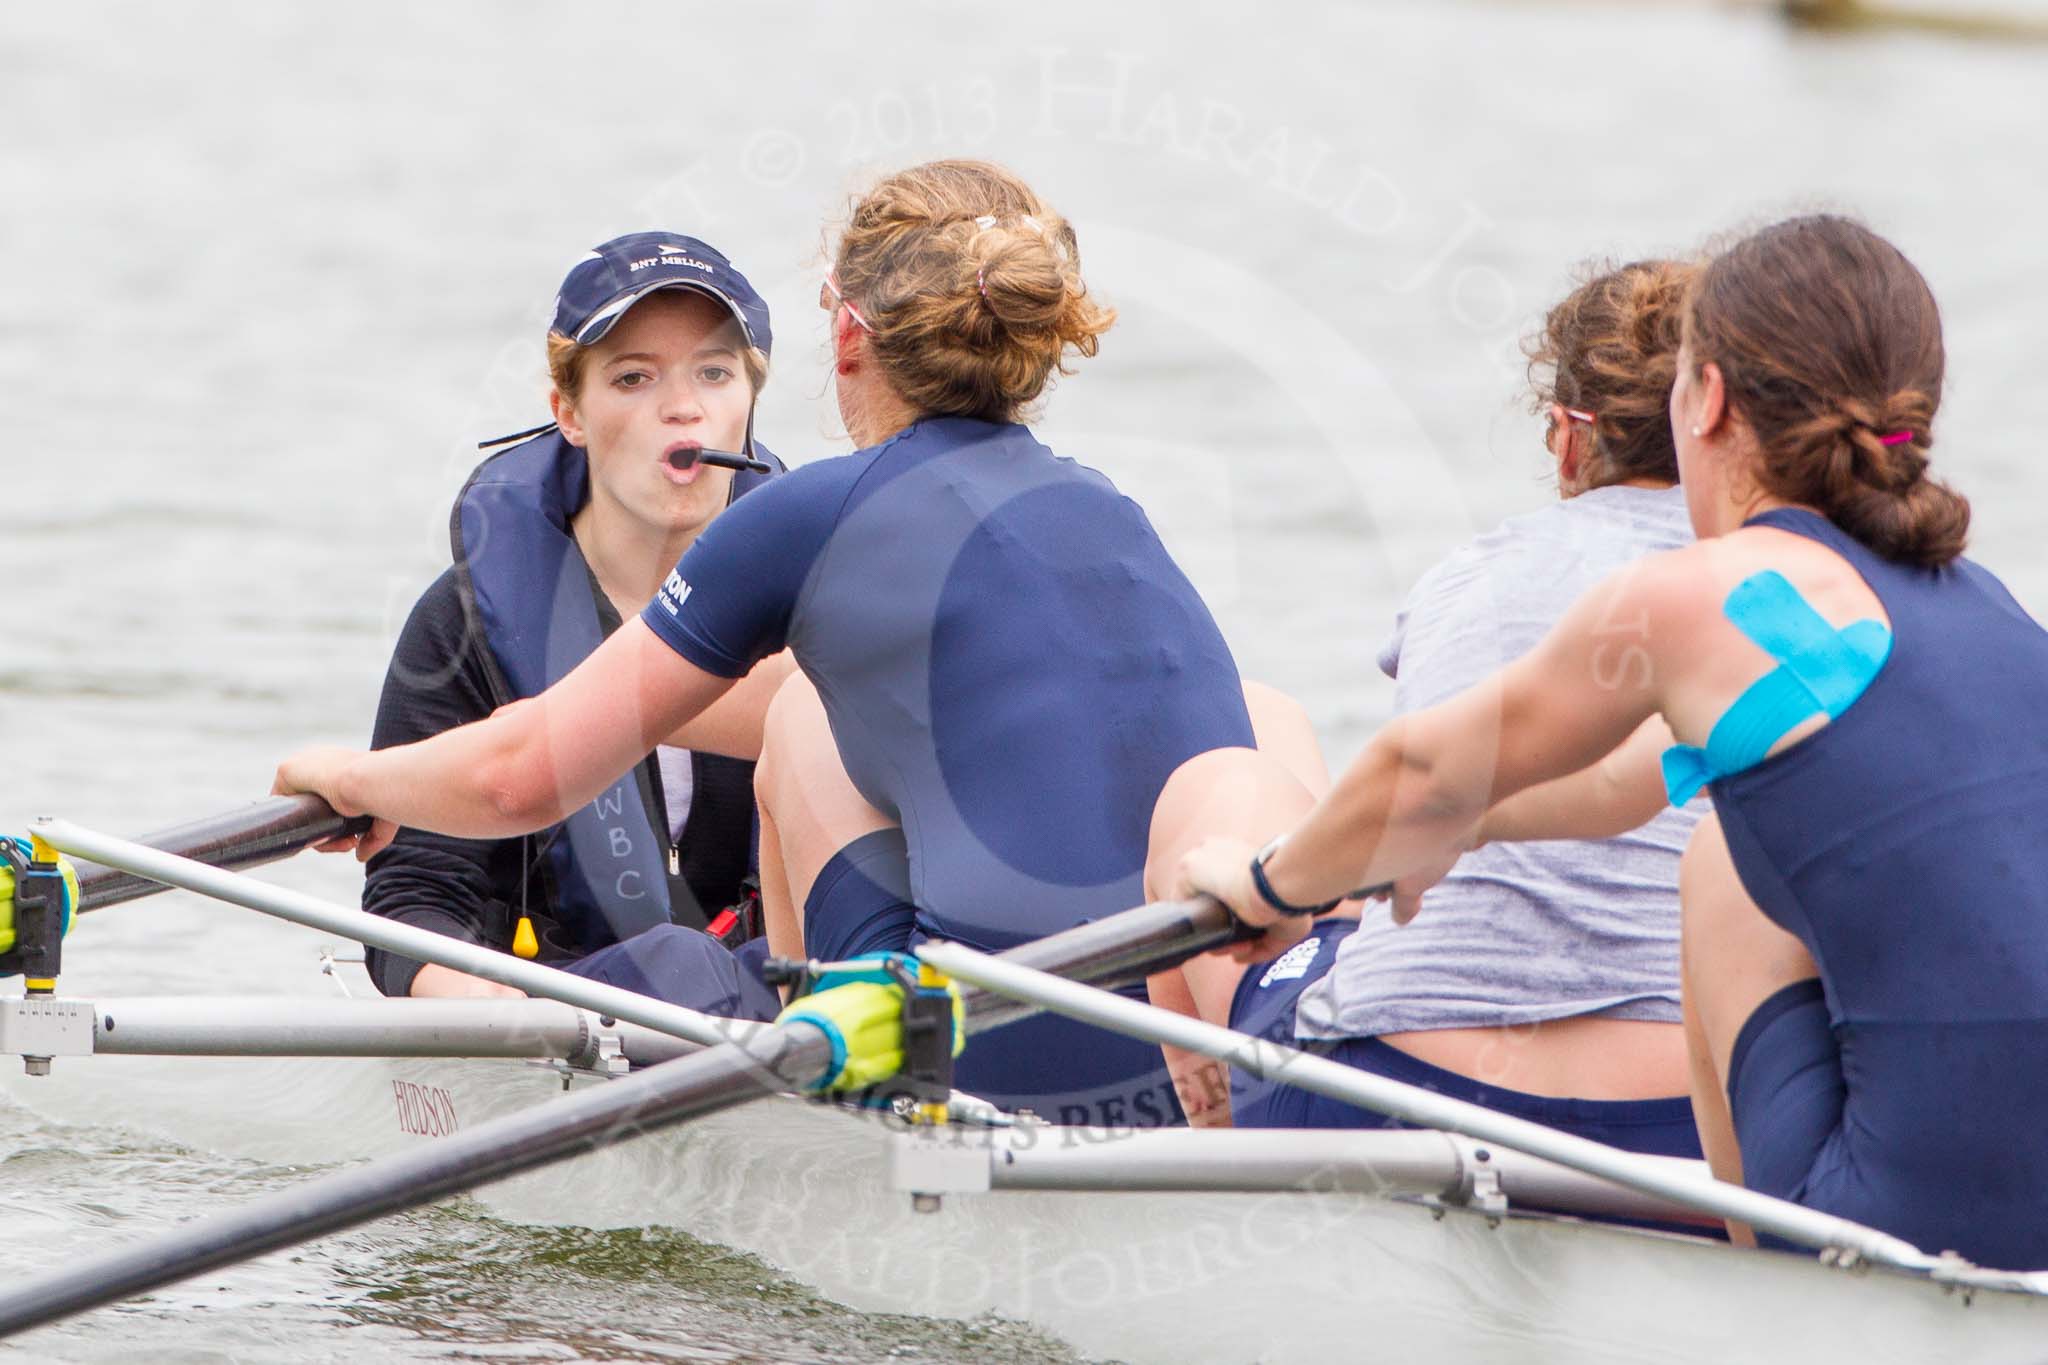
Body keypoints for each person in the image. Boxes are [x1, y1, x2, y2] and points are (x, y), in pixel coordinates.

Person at [276, 160, 1321, 1125]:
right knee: (1265, 715)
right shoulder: (1107, 510)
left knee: (804, 709)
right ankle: (1251, 1079)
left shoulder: (812, 514)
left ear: (847, 336)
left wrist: (355, 777)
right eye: (633, 379)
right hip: (1155, 1053)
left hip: (971, 1057)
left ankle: (807, 1083)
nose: (680, 405)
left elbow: (521, 778)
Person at [1181, 215, 2048, 1269]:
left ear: (1706, 398)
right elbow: (1617, 787)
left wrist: (1272, 886)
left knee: (1724, 866)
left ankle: (1752, 1289)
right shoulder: (1977, 610)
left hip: (1893, 1215)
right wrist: (1452, 829)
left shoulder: (1693, 593)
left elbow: (1420, 767)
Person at [1159, 260, 1711, 1156]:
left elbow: (1422, 783)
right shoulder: (1802, 598)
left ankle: (1224, 1183)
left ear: (1570, 438)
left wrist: (1270, 886)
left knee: (1226, 776)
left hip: (1398, 1089)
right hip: (1681, 1129)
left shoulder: (1475, 576)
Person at [359, 232, 786, 1019]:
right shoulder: (462, 622)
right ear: (570, 413)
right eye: (632, 377)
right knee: (678, 963)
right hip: (554, 1008)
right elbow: (412, 889)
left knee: (695, 964)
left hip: (773, 1004)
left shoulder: (815, 603)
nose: (683, 406)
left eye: (715, 373)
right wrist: (460, 992)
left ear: (749, 402)